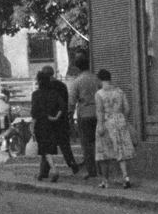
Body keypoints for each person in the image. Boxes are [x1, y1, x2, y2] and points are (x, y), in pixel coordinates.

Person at [30, 66, 79, 180]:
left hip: (45, 122)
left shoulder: (40, 91)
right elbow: (64, 103)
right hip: (60, 120)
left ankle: (44, 172)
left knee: (45, 148)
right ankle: (72, 163)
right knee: (64, 144)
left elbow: (35, 111)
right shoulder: (62, 86)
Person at [94, 70, 136, 188]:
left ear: (99, 79)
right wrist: (123, 118)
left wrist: (101, 125)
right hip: (120, 120)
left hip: (106, 122)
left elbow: (99, 111)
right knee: (121, 150)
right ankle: (125, 176)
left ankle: (105, 181)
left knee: (103, 152)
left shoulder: (99, 94)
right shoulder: (119, 91)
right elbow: (127, 108)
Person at [66, 49, 100, 179]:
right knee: (98, 142)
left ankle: (91, 171)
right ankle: (101, 169)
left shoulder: (77, 82)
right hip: (98, 114)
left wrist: (69, 115)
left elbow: (72, 101)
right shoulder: (96, 79)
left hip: (84, 115)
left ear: (78, 67)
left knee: (87, 144)